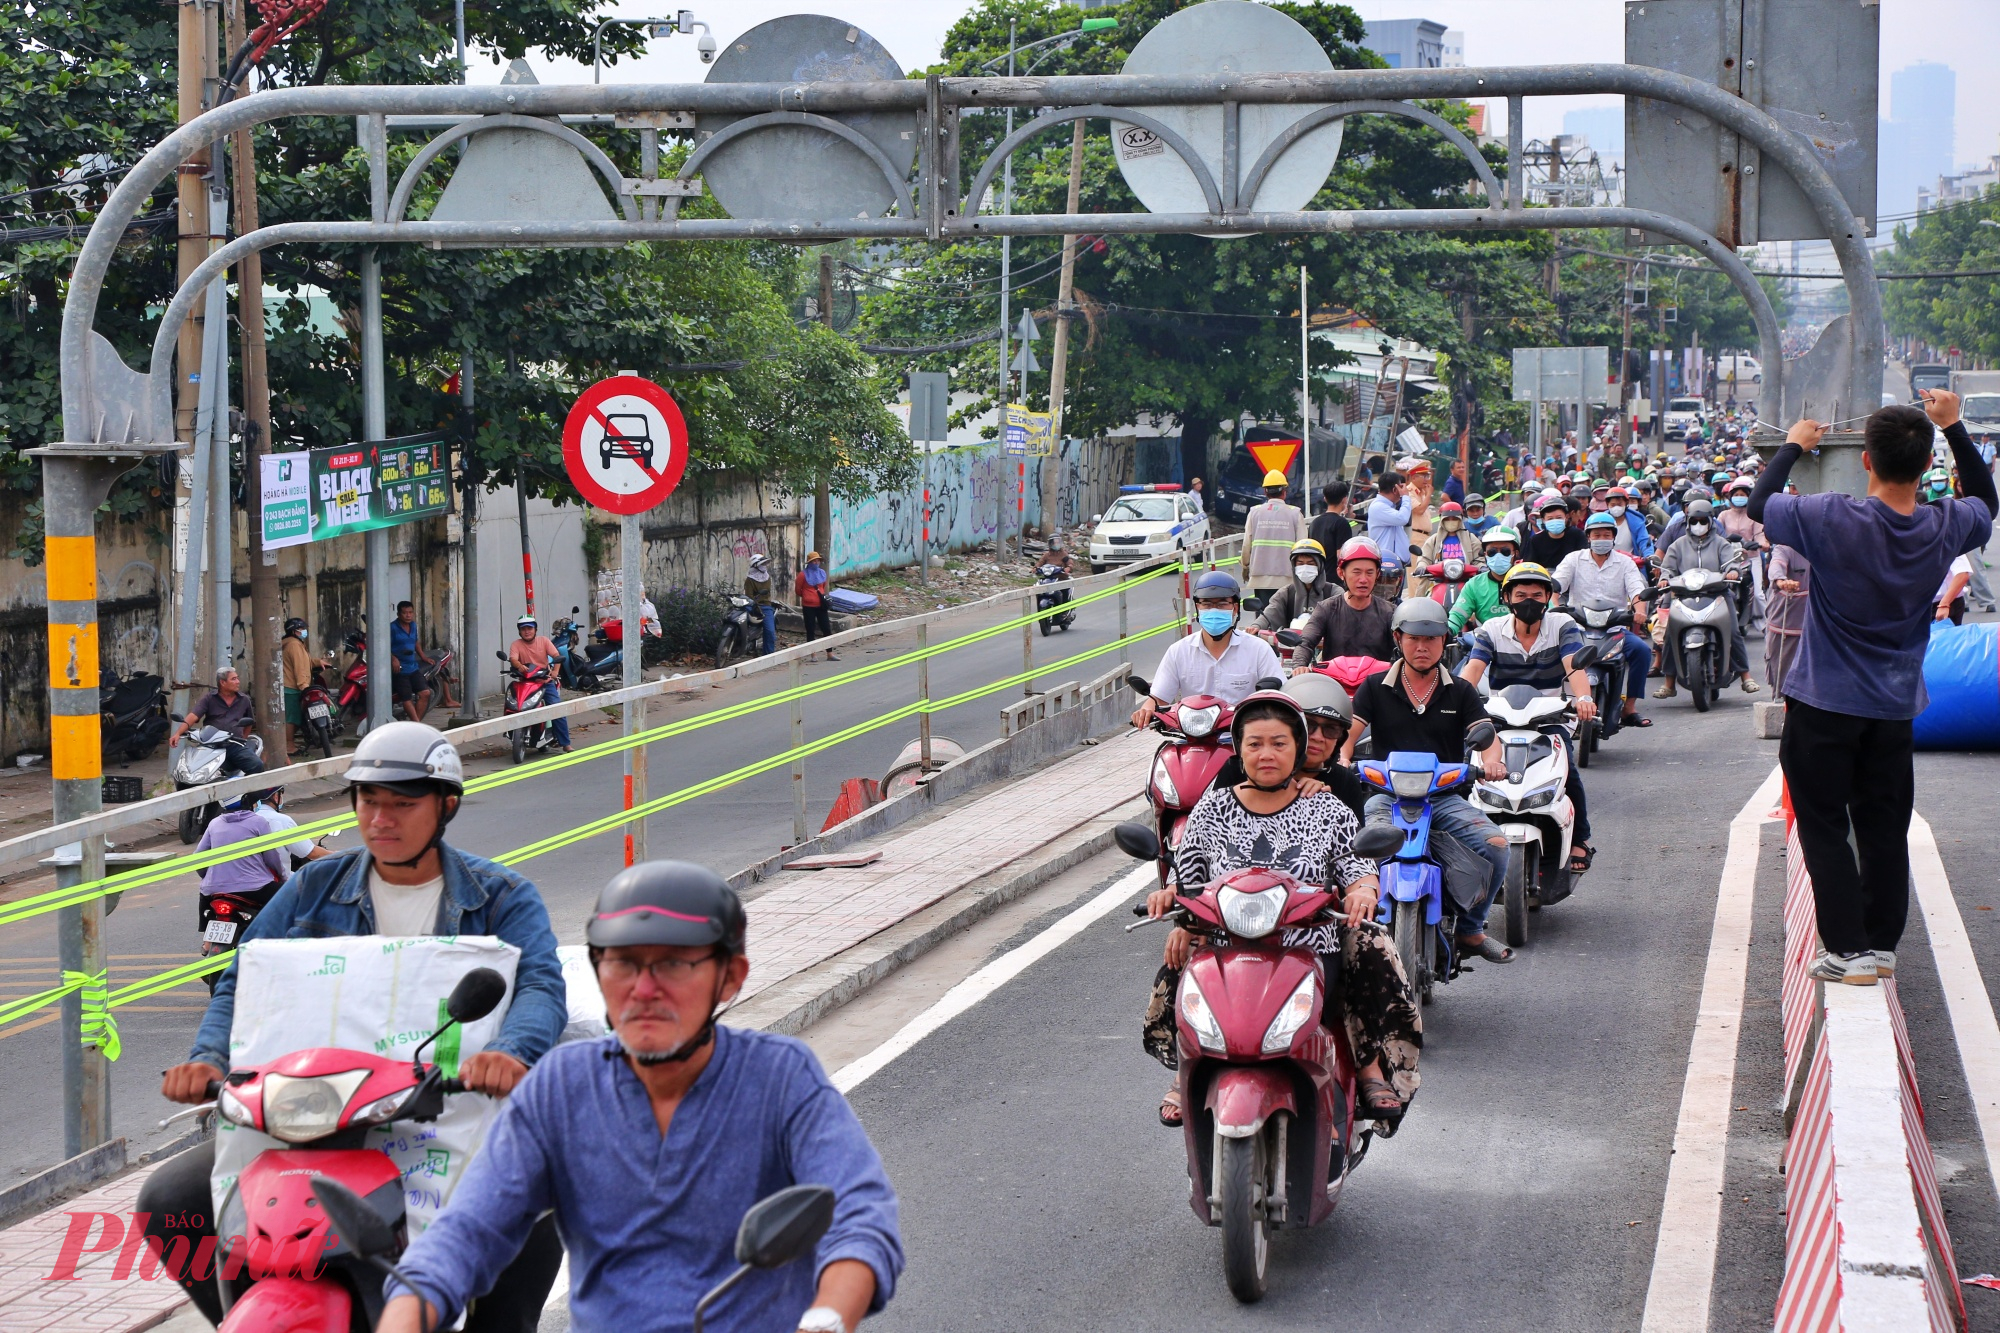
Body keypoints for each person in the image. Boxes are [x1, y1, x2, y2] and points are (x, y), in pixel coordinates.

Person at [144, 723, 570, 1332]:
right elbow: (245, 977)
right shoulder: (313, 888)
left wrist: (509, 1052)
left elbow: (539, 986)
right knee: (172, 1203)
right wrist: (208, 1057)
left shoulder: (500, 895)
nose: (381, 818)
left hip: (445, 1111)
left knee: (527, 1204)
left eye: (402, 803)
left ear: (445, 806)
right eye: (369, 801)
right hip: (315, 1117)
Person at [378, 863, 904, 1333]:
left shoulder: (780, 1077)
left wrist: (827, 1318)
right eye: (623, 964)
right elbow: (468, 1230)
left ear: (730, 979)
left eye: (674, 964)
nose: (644, 989)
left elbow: (859, 1214)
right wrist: (406, 1312)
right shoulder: (560, 1089)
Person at [1748, 392, 1994, 985]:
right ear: (1927, 465)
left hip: (1825, 702)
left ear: (1866, 461)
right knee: (1885, 824)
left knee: (1823, 823)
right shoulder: (1944, 525)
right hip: (1894, 706)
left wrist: (1794, 445)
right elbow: (1986, 499)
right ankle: (1881, 946)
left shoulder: (1833, 517)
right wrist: (1955, 426)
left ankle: (1848, 952)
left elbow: (1761, 503)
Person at [1144, 690, 1422, 1126]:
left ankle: (1370, 1067)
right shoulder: (1211, 810)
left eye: (1279, 743)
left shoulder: (1327, 807)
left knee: (1370, 941)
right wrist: (1174, 902)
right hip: (1222, 943)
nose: (1266, 754)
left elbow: (1358, 865)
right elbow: (1188, 874)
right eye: (1255, 744)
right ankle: (1189, 1070)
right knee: (1180, 949)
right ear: (1239, 750)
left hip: (1311, 944)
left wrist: (1363, 891)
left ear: (1297, 750)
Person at [1339, 598, 1513, 963]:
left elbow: (1485, 733)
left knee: (1497, 845)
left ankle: (1471, 928)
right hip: (1386, 797)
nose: (1422, 647)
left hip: (1444, 798)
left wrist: (1492, 762)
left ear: (1444, 641)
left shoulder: (1461, 691)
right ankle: (1354, 921)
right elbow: (1350, 732)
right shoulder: (1374, 687)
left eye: (1432, 639)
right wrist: (1342, 755)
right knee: (1355, 848)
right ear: (1398, 639)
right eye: (1414, 638)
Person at [1455, 564, 1598, 875]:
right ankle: (1457, 833)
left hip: (1550, 717)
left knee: (1566, 770)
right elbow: (1472, 672)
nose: (1529, 600)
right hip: (1498, 718)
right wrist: (1458, 702)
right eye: (1520, 595)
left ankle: (1581, 838)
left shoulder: (1562, 624)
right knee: (1465, 766)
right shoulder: (1491, 629)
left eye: (1536, 594)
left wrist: (1584, 698)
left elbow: (1574, 667)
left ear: (1548, 596)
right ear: (1507, 597)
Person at [1130, 570, 1282, 728]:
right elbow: (1158, 699)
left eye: (1222, 603)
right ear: (1198, 608)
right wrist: (1145, 711)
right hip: (1193, 736)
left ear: (1235, 608)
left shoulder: (1258, 649)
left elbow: (1280, 695)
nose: (1214, 610)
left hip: (1244, 735)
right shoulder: (1179, 651)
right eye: (1207, 604)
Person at [1554, 512, 1654, 728]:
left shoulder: (1625, 562)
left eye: (1606, 535)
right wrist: (1554, 607)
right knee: (1553, 654)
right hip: (1578, 627)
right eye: (1596, 535)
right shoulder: (1573, 559)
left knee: (1642, 651)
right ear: (1588, 537)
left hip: (1614, 627)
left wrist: (1640, 610)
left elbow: (1637, 590)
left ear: (1613, 537)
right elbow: (1555, 585)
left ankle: (1630, 708)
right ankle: (1557, 705)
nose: (1601, 539)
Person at [1654, 499, 1758, 696]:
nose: (1698, 525)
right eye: (1694, 520)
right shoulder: (1678, 545)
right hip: (1684, 596)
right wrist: (1664, 578)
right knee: (1669, 635)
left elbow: (1730, 563)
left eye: (1703, 520)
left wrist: (1732, 571)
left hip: (1718, 593)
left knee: (1734, 631)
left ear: (1711, 521)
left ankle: (1746, 676)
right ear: (1688, 521)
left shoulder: (1721, 543)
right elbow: (1667, 567)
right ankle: (1669, 683)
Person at [1288, 537, 1396, 671]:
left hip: (1376, 687)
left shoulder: (1389, 612)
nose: (1363, 579)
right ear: (1341, 573)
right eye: (1356, 572)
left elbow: (1403, 647)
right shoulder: (1326, 608)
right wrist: (1299, 666)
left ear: (1377, 574)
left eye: (1370, 572)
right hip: (1334, 686)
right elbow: (1305, 642)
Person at [169, 667, 265, 776]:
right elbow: (193, 716)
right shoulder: (209, 698)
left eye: (237, 678)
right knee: (193, 771)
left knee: (257, 765)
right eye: (233, 679)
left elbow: (249, 723)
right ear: (223, 682)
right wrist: (178, 733)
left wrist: (242, 739)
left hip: (234, 745)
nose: (238, 682)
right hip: (210, 745)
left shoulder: (244, 700)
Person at [1238, 470, 1308, 601]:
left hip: (1260, 577)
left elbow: (1247, 544)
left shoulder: (1254, 513)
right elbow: (1303, 547)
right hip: (1287, 578)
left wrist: (1245, 566)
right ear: (1284, 492)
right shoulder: (1295, 514)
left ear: (1265, 491)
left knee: (1264, 618)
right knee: (1286, 617)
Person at [507, 614, 571, 752]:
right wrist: (519, 666)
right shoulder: (516, 644)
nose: (527, 631)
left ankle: (565, 743)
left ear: (535, 629)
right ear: (519, 631)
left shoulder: (544, 641)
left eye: (530, 628)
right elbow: (513, 659)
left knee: (556, 708)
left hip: (544, 682)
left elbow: (557, 657)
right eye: (523, 628)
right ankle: (510, 732)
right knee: (512, 705)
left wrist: (555, 672)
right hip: (525, 682)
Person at [1253, 538, 1335, 634]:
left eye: (1310, 564)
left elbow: (1345, 614)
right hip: (1290, 646)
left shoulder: (1333, 592)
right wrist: (1256, 625)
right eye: (1300, 563)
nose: (1305, 568)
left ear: (1320, 565)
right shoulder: (1286, 592)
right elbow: (1270, 612)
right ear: (1293, 566)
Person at [1447, 526, 1516, 635]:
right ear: (1485, 555)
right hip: (1485, 642)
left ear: (1515, 553)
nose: (1498, 555)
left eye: (1505, 551)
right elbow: (1459, 614)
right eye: (1492, 551)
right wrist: (1448, 632)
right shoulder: (1474, 584)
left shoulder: (1527, 581)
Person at [1412, 500, 1485, 598]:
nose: (1451, 521)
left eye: (1454, 518)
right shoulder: (1433, 540)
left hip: (1467, 582)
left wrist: (1481, 567)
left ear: (1460, 519)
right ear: (1441, 520)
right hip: (1437, 582)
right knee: (1422, 604)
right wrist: (1421, 567)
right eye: (1447, 519)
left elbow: (1478, 559)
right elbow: (1425, 558)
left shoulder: (1471, 538)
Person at [280, 616, 328, 757]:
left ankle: (287, 743)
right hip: (292, 687)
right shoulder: (295, 645)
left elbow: (305, 661)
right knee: (292, 719)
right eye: (301, 629)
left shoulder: (288, 642)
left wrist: (318, 662)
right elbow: (300, 668)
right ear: (294, 631)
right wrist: (305, 688)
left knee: (292, 717)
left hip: (287, 686)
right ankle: (289, 746)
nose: (304, 631)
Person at [1765, 543, 1811, 693]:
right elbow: (1776, 565)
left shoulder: (1822, 546)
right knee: (1782, 678)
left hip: (1815, 623)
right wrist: (1781, 581)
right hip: (1785, 623)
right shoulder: (1784, 549)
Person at [389, 599, 435, 722]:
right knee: (406, 698)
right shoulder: (392, 628)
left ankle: (415, 724)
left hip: (413, 667)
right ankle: (416, 724)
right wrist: (393, 658)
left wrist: (423, 657)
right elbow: (383, 646)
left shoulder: (413, 625)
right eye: (405, 613)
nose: (408, 615)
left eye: (410, 612)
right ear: (398, 614)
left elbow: (415, 642)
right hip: (399, 670)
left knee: (425, 693)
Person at [1520, 490, 1586, 570]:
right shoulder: (1535, 541)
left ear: (1566, 517)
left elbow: (1584, 563)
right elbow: (1530, 567)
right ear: (1543, 520)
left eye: (1559, 517)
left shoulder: (1578, 536)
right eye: (1550, 518)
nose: (1555, 521)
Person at [797, 550, 838, 661]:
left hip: (821, 605)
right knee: (810, 630)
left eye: (817, 560)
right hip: (808, 606)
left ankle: (829, 653)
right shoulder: (802, 575)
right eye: (813, 561)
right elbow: (798, 590)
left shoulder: (822, 573)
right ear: (809, 562)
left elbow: (822, 587)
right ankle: (813, 654)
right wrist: (807, 596)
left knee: (826, 628)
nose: (816, 563)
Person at [1365, 470, 1414, 561]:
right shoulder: (1379, 506)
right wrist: (1406, 497)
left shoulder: (1389, 506)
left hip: (1396, 562)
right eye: (1400, 487)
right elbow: (1402, 519)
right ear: (1395, 490)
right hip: (1386, 563)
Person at [1603, 487, 1655, 560]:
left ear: (1626, 503)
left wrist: (1649, 556)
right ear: (1607, 504)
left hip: (1631, 562)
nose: (1616, 507)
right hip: (1606, 561)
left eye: (1619, 504)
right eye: (1613, 505)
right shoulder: (1601, 521)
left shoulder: (1636, 520)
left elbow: (1644, 541)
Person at [1307, 481, 1354, 558]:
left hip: (1318, 568)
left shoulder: (1315, 522)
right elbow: (1342, 554)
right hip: (1333, 569)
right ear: (1344, 499)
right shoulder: (1342, 523)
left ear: (1325, 499)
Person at [746, 553, 778, 656]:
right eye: (762, 564)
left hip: (765, 606)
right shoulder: (749, 580)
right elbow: (749, 595)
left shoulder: (766, 577)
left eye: (765, 563)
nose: (764, 566)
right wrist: (754, 604)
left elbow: (766, 594)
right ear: (755, 565)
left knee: (769, 631)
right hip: (752, 605)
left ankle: (769, 654)